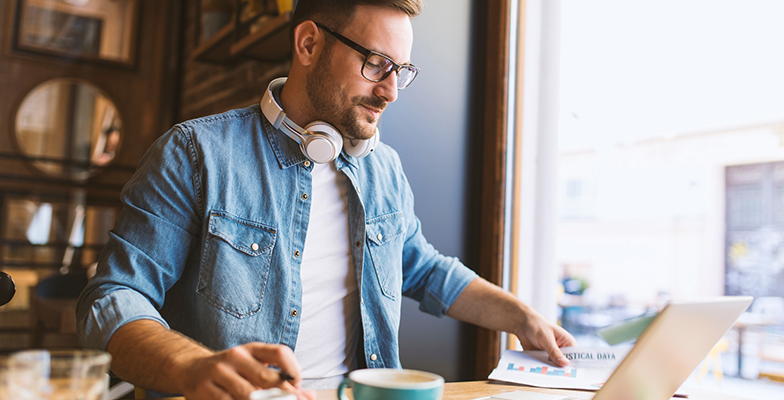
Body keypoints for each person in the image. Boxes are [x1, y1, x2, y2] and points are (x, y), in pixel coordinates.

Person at [76, 1, 576, 399]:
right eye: (376, 64)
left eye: (401, 70)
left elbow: (422, 268)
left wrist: (522, 318)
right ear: (309, 43)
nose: (391, 91)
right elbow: (112, 297)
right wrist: (193, 367)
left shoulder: (384, 169)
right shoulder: (194, 153)